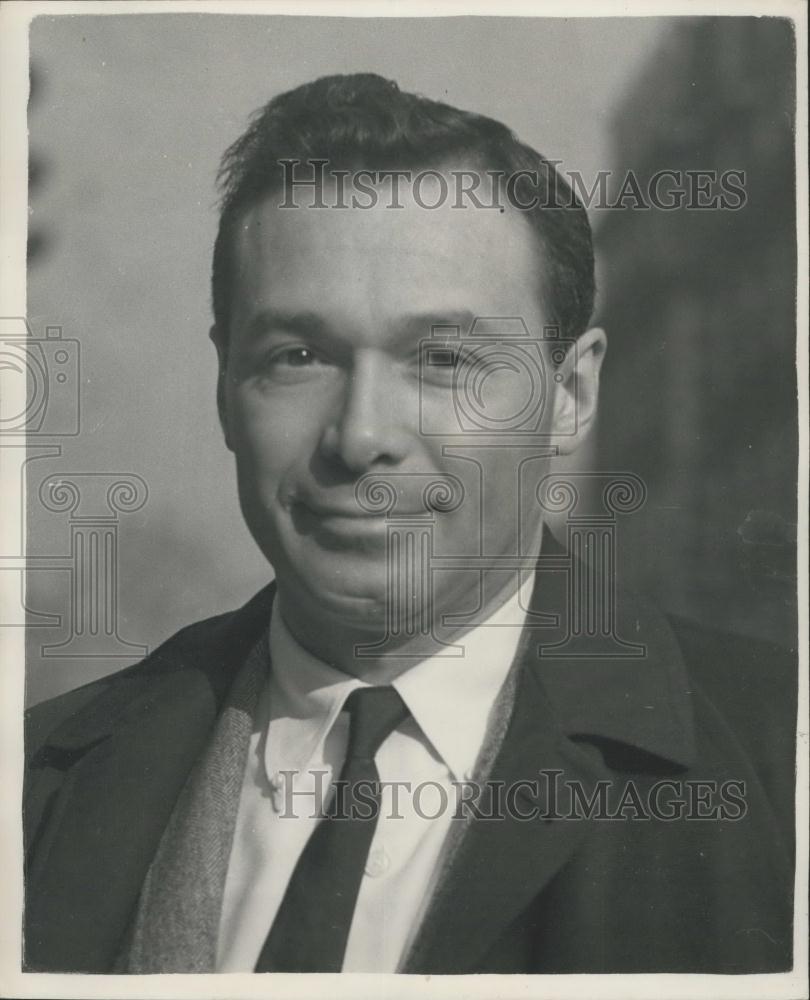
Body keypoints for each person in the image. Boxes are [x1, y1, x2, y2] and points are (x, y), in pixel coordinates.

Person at [23, 73, 795, 975]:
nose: (361, 437)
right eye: (299, 356)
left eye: (441, 359)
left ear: (570, 395)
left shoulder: (781, 762)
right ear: (225, 386)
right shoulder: (38, 782)